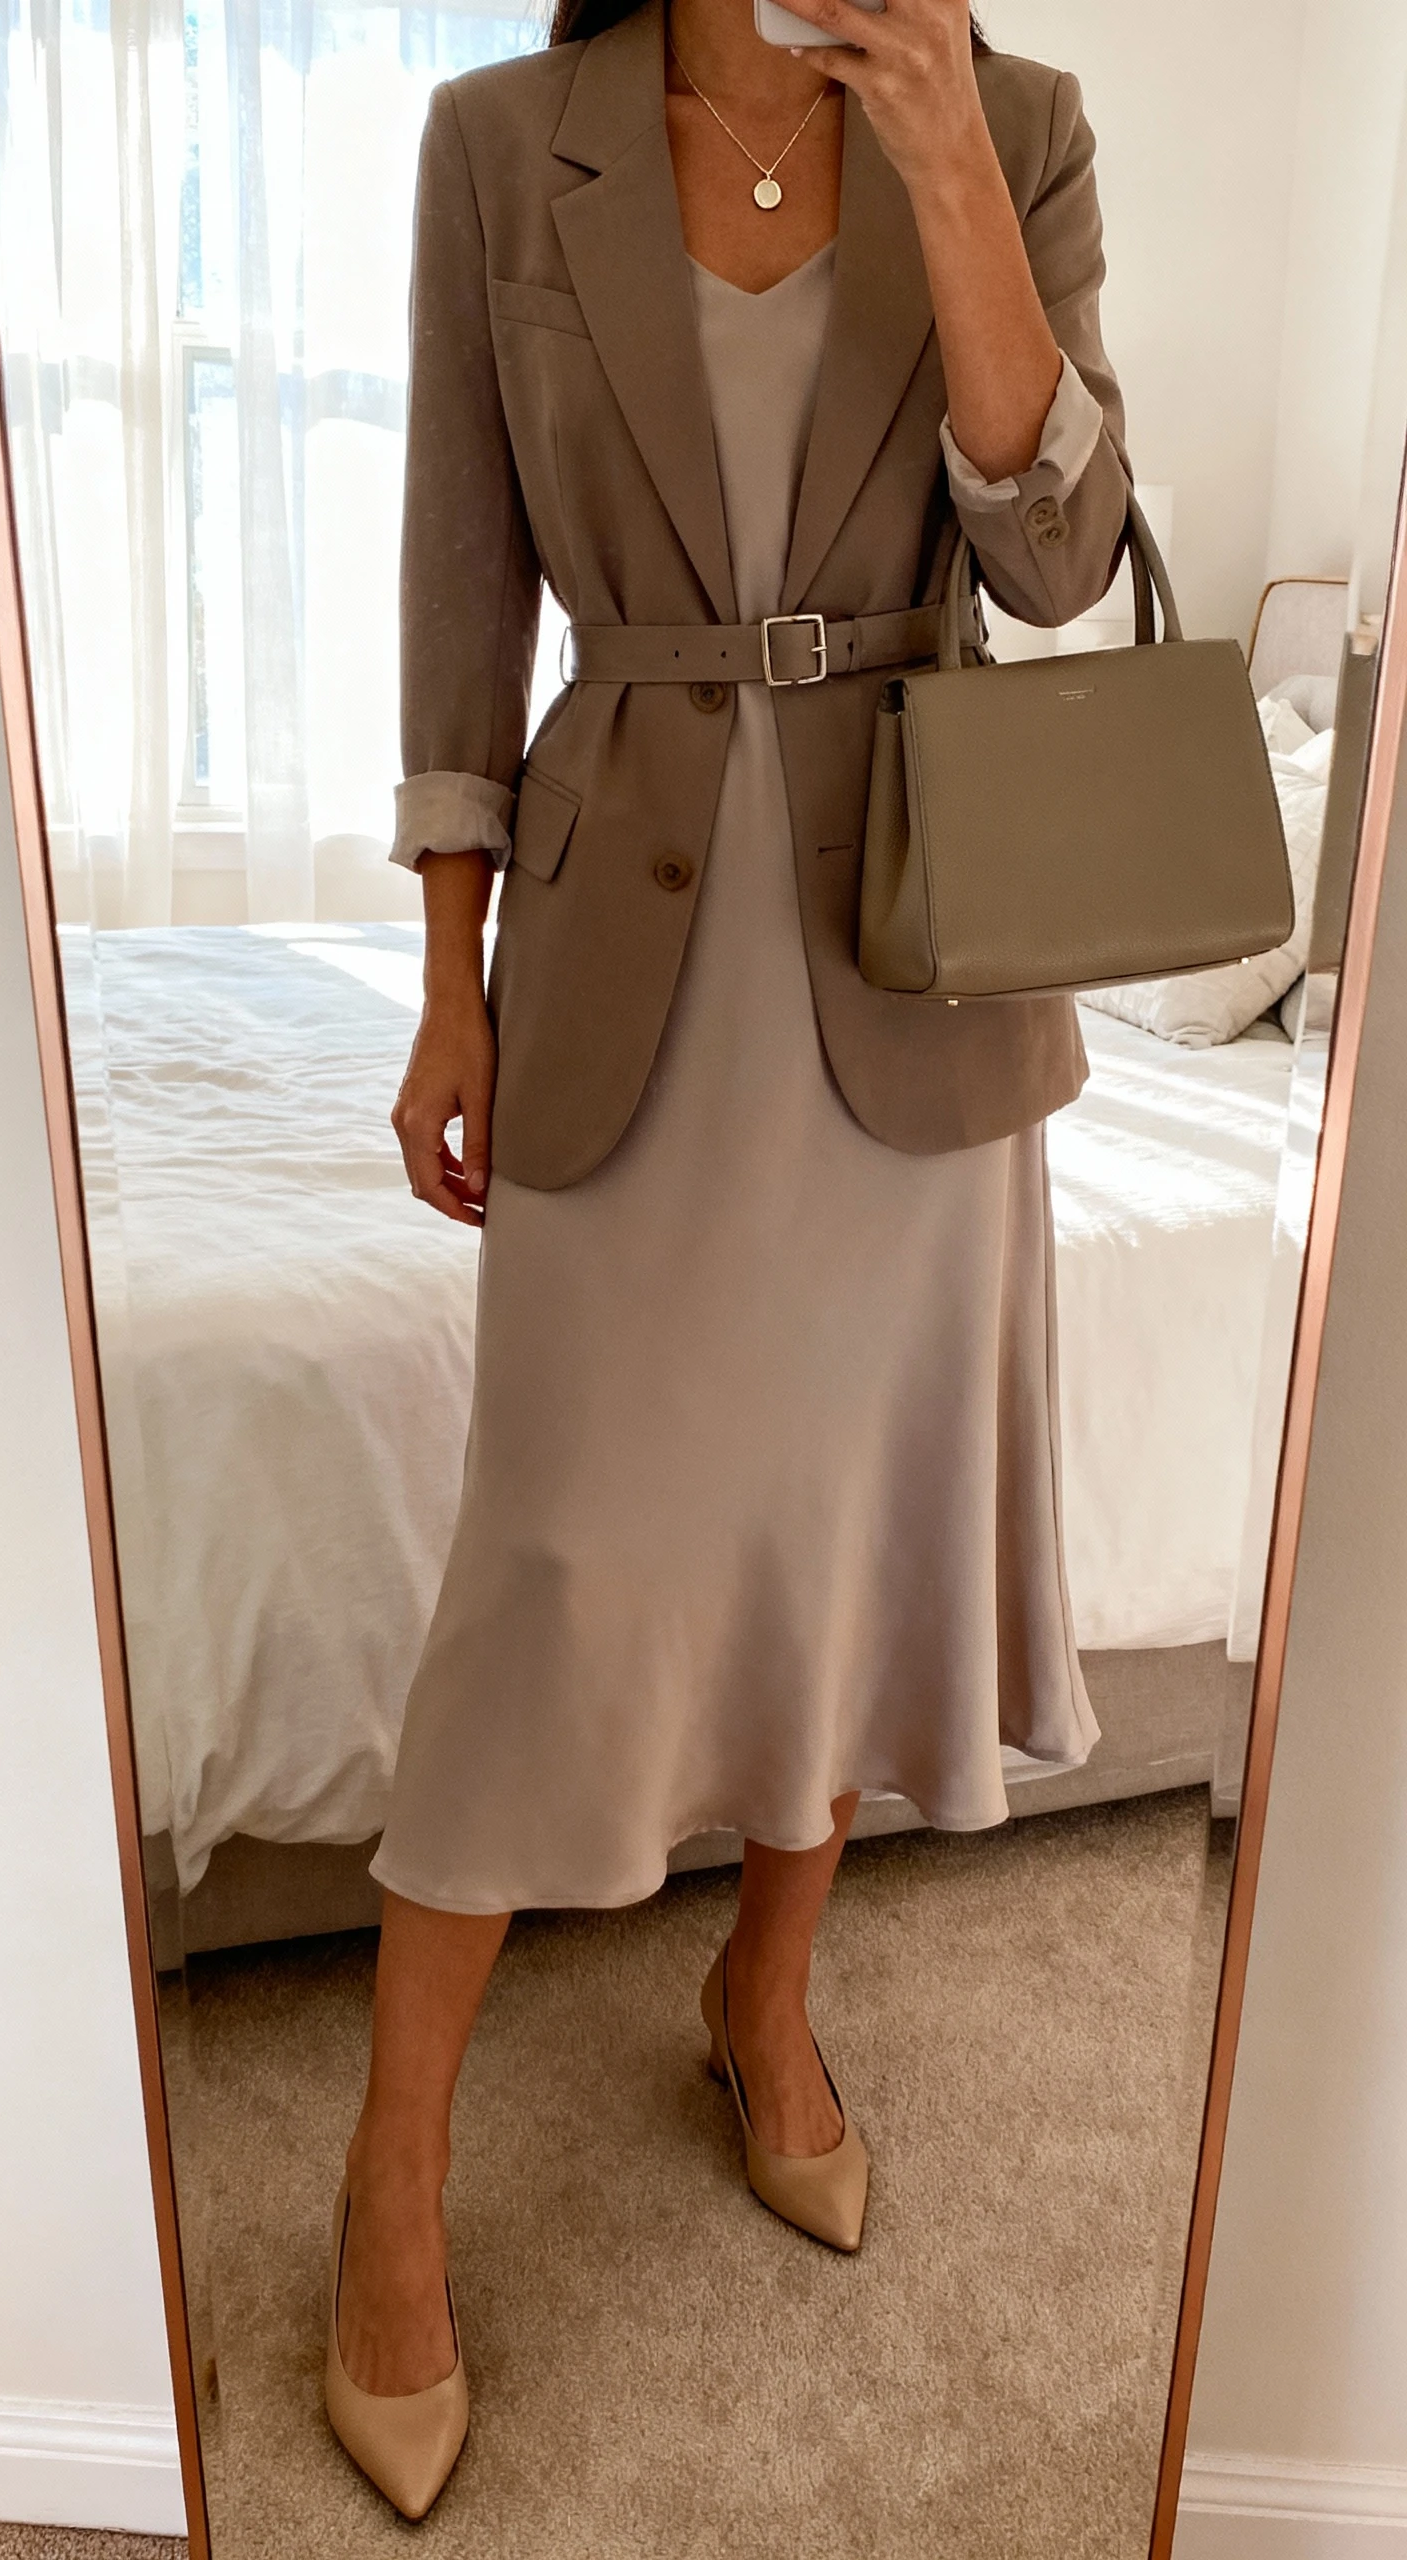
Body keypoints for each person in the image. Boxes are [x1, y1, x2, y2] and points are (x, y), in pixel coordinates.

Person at [325, 0, 1130, 2514]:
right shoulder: (500, 145)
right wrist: (447, 976)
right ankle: (384, 2176)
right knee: (551, 1574)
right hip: (618, 960)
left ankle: (765, 1995)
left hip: (912, 949)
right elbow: (466, 588)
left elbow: (1062, 556)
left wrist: (953, 171)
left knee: (846, 1527)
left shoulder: (1017, 126)